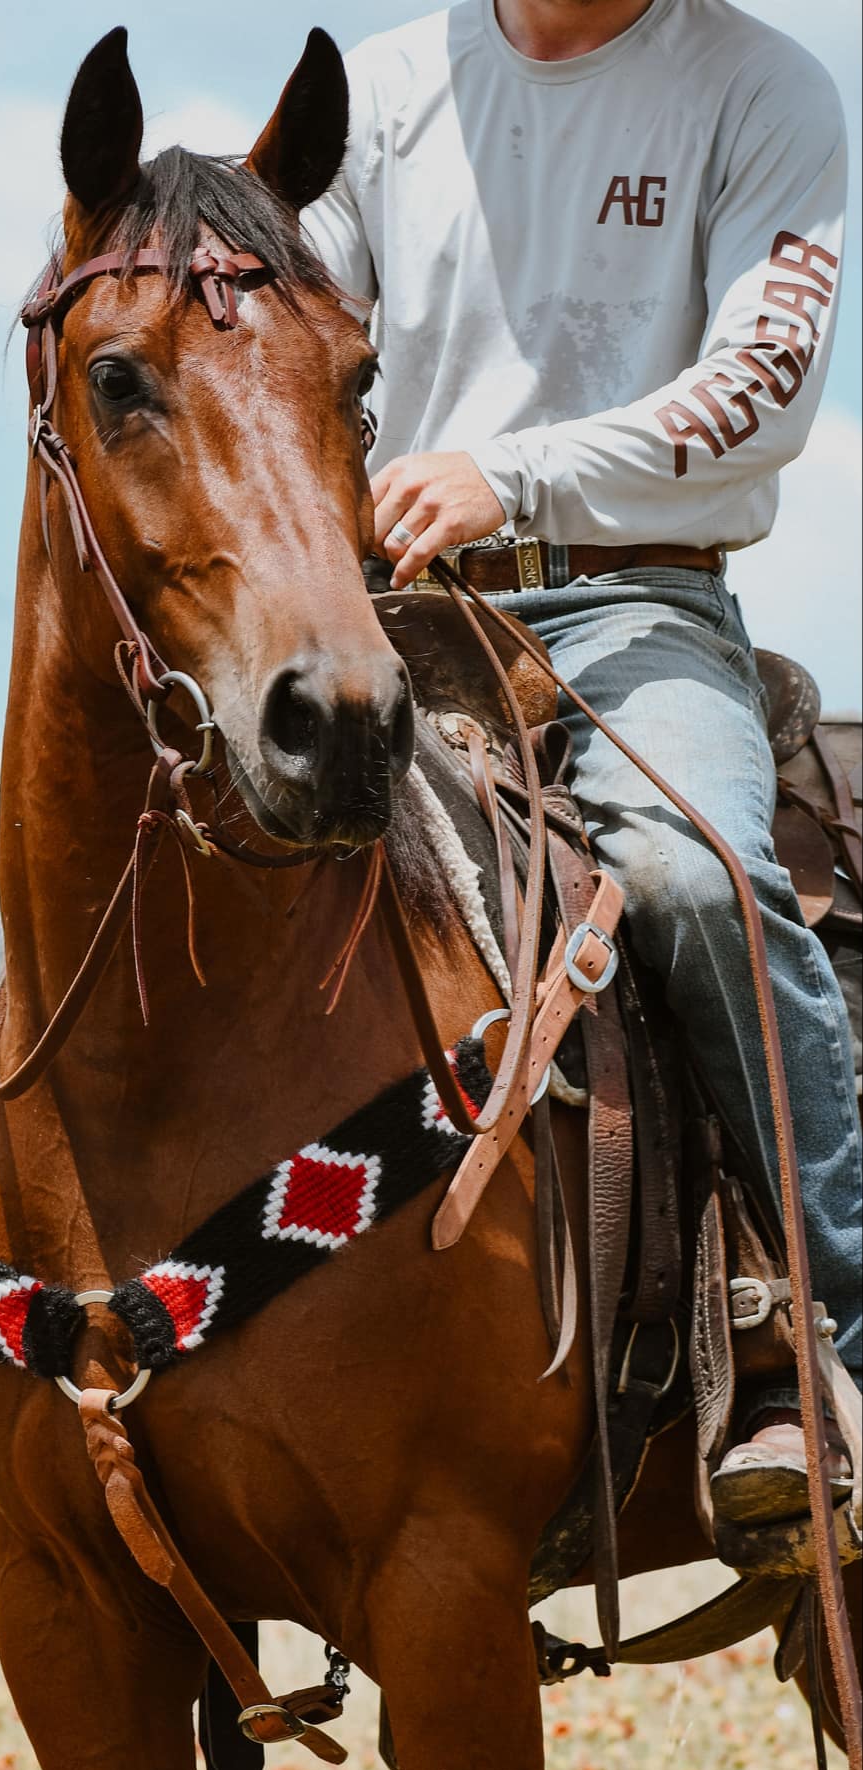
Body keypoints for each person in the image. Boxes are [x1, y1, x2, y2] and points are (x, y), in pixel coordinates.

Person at [303, 0, 861, 1522]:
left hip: (633, 598)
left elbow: (763, 385)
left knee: (693, 876)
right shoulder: (374, 93)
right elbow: (277, 341)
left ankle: (831, 1329)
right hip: (387, 602)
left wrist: (512, 472)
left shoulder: (758, 87)